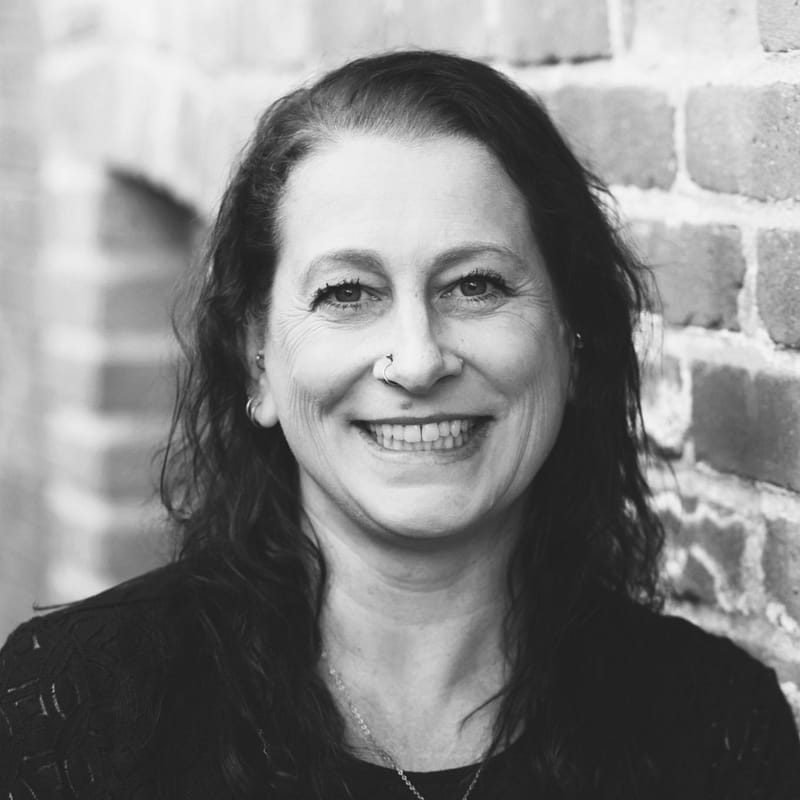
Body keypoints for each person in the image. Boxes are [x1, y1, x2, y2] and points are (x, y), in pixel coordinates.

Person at [1, 50, 798, 800]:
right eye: (348, 293)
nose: (417, 361)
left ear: (572, 341)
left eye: (476, 285)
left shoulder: (716, 732)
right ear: (257, 363)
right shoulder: (81, 713)